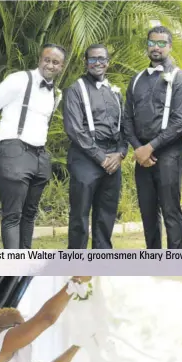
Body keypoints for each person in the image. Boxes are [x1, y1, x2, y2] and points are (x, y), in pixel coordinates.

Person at [0, 43, 66, 249]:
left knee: (30, 214)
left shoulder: (56, 94)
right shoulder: (18, 80)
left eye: (56, 62)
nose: (50, 65)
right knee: (13, 215)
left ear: (61, 67)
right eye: (47, 60)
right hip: (13, 151)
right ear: (39, 59)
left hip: (39, 156)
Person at [124, 26, 182, 249]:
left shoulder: (181, 80)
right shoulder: (136, 80)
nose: (156, 47)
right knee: (147, 210)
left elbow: (180, 123)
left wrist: (150, 147)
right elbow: (127, 119)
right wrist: (138, 148)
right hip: (141, 154)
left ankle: (176, 262)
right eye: (152, 42)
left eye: (162, 43)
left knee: (171, 209)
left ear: (170, 47)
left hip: (169, 153)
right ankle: (152, 258)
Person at [63, 44, 127, 249]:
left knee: (107, 213)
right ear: (86, 62)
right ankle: (77, 263)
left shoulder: (115, 93)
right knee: (80, 215)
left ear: (108, 63)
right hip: (85, 158)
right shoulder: (75, 90)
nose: (97, 62)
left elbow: (125, 126)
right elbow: (74, 129)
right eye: (92, 59)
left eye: (101, 59)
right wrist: (101, 157)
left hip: (113, 158)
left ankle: (102, 260)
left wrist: (121, 153)